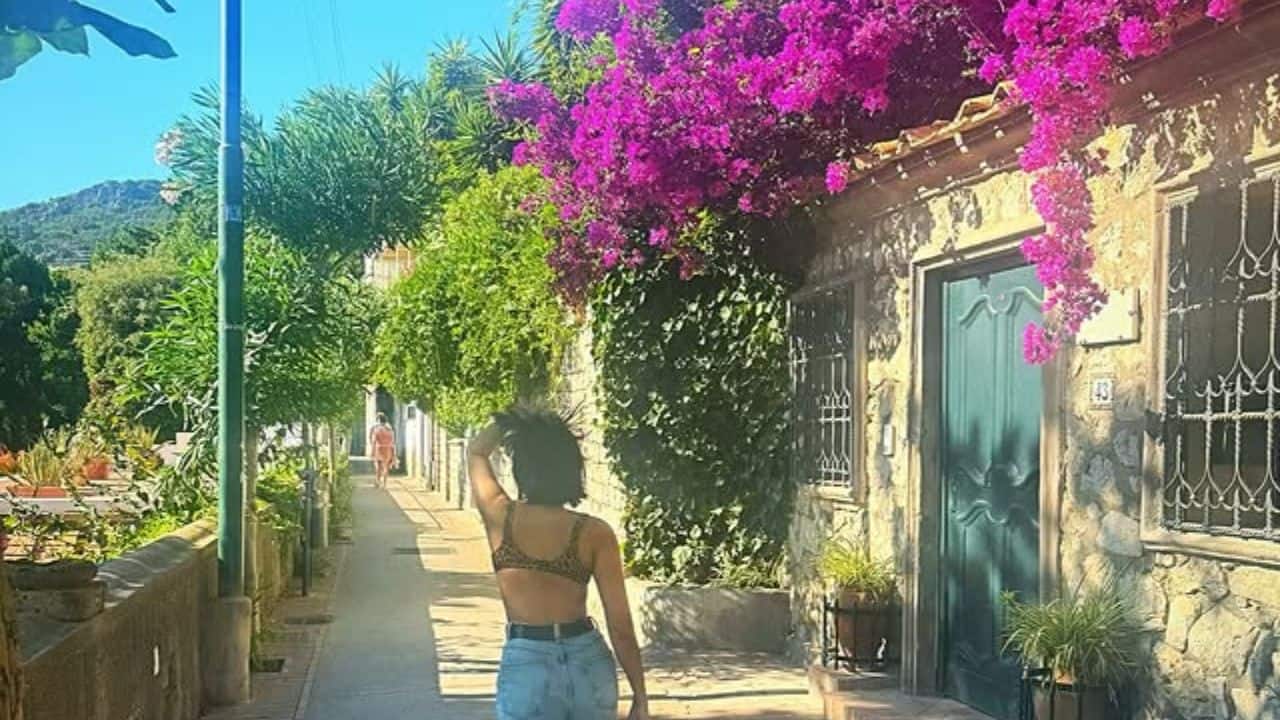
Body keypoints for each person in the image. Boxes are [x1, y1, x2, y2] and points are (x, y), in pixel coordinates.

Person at [468, 407, 649, 720]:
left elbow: (476, 452)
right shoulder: (594, 533)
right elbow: (620, 626)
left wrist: (509, 420)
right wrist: (640, 697)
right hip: (587, 661)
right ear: (572, 469)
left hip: (528, 663)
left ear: (522, 467)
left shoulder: (500, 517)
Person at [369, 413, 397, 489]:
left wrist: (372, 452)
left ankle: (378, 482)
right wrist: (394, 453)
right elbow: (393, 442)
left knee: (378, 467)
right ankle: (384, 484)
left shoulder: (377, 429)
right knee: (386, 467)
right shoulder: (390, 430)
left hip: (379, 449)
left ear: (378, 420)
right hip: (388, 449)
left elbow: (374, 441)